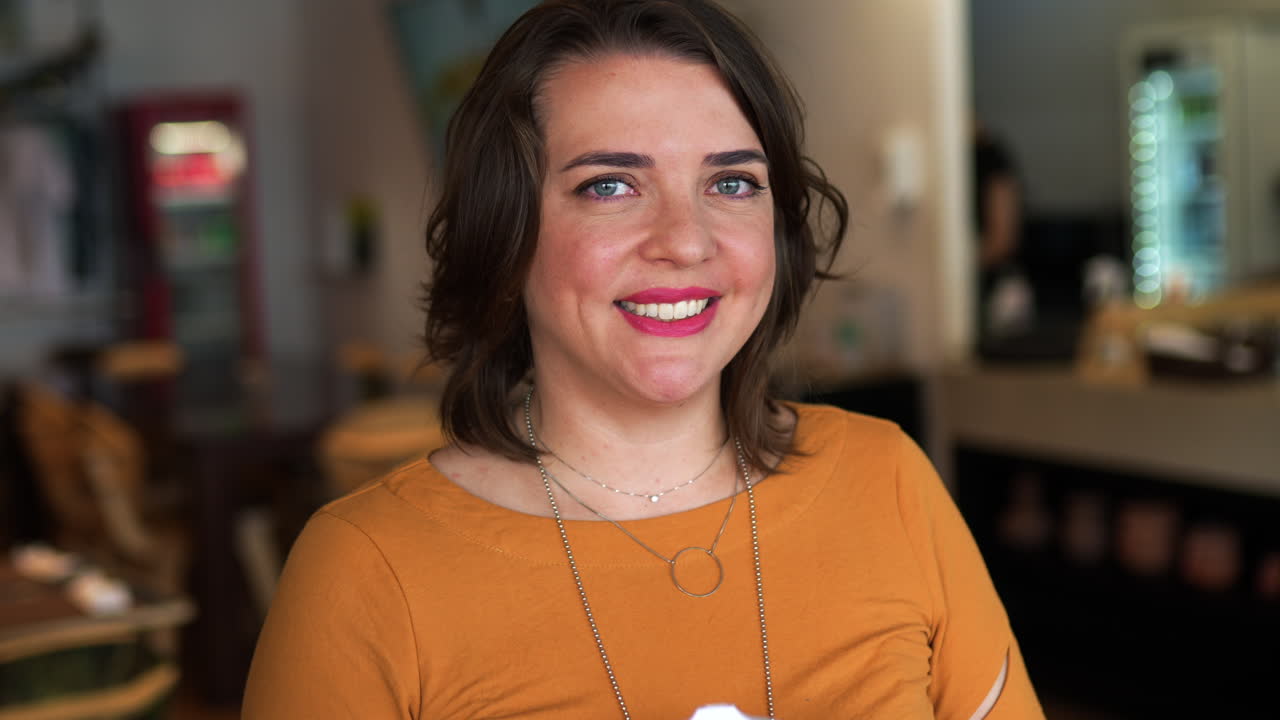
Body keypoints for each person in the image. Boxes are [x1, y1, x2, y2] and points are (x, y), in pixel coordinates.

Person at [243, 1, 1044, 717]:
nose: (686, 240)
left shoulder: (889, 482)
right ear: (507, 232)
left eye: (731, 182)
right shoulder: (365, 571)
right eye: (610, 187)